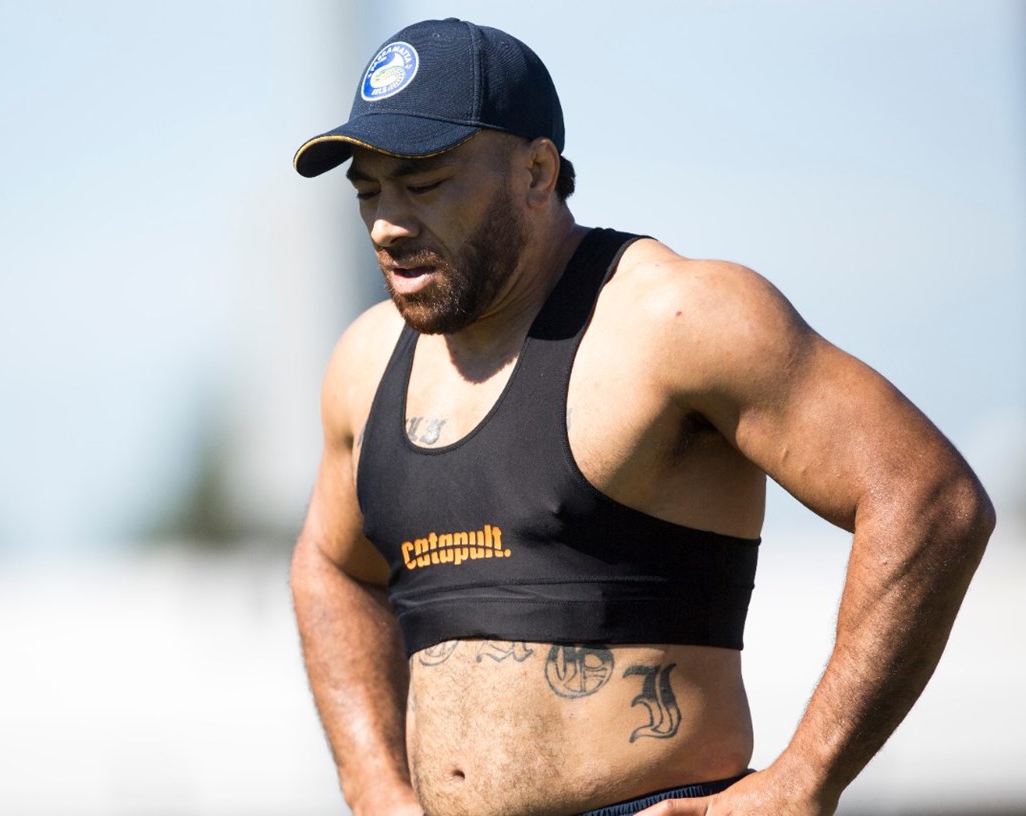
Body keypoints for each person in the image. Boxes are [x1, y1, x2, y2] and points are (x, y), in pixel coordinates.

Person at [288, 17, 995, 816]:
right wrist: (372, 784)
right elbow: (330, 567)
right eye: (368, 191)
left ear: (536, 172)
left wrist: (803, 781)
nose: (387, 223)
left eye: (423, 185)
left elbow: (929, 500)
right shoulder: (365, 360)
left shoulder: (676, 318)